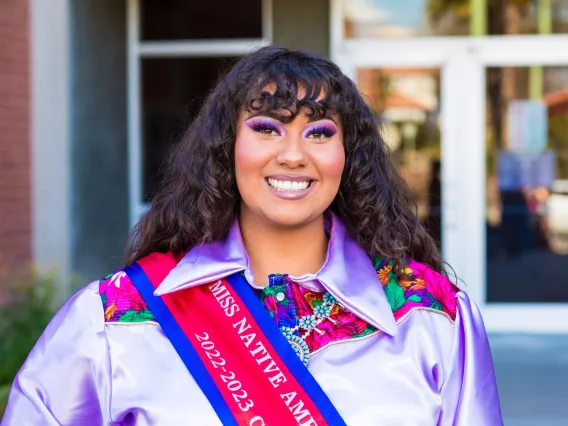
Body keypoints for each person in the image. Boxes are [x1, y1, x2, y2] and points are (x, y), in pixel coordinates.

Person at [2, 47, 503, 426]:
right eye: (267, 128)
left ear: (348, 156)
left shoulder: (432, 318)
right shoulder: (115, 318)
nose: (292, 154)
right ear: (227, 148)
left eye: (320, 132)